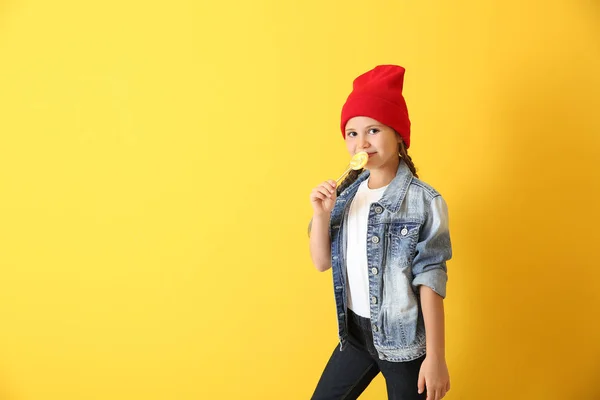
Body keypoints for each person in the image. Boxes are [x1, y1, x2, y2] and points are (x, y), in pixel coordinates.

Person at [308, 65, 452, 400]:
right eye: (352, 133)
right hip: (356, 337)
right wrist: (320, 215)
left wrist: (436, 357)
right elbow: (321, 262)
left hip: (404, 345)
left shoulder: (424, 201)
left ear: (398, 135)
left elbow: (431, 281)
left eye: (373, 130)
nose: (362, 142)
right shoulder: (344, 197)